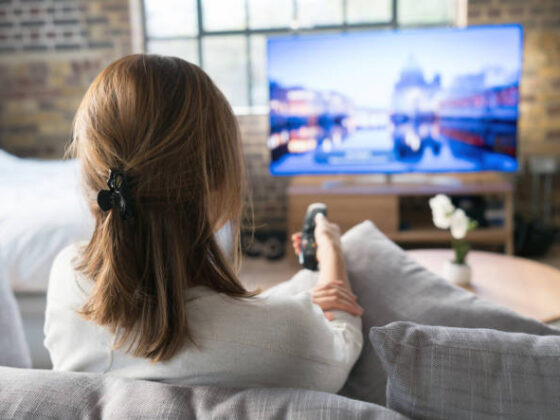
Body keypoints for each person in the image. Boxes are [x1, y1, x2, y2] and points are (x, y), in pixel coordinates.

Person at [44, 54, 363, 393]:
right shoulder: (287, 337)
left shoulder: (67, 277)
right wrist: (332, 254)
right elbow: (339, 348)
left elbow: (224, 317)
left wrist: (299, 294)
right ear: (217, 179)